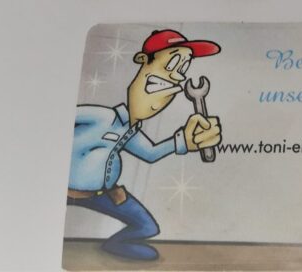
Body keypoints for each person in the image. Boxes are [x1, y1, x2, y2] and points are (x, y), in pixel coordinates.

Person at [67, 29, 222, 261]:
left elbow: (150, 153)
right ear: (143, 60)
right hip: (63, 191)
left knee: (148, 227)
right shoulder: (101, 116)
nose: (176, 75)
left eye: (183, 67)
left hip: (105, 195)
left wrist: (185, 141)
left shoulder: (130, 131)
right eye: (172, 62)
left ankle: (115, 245)